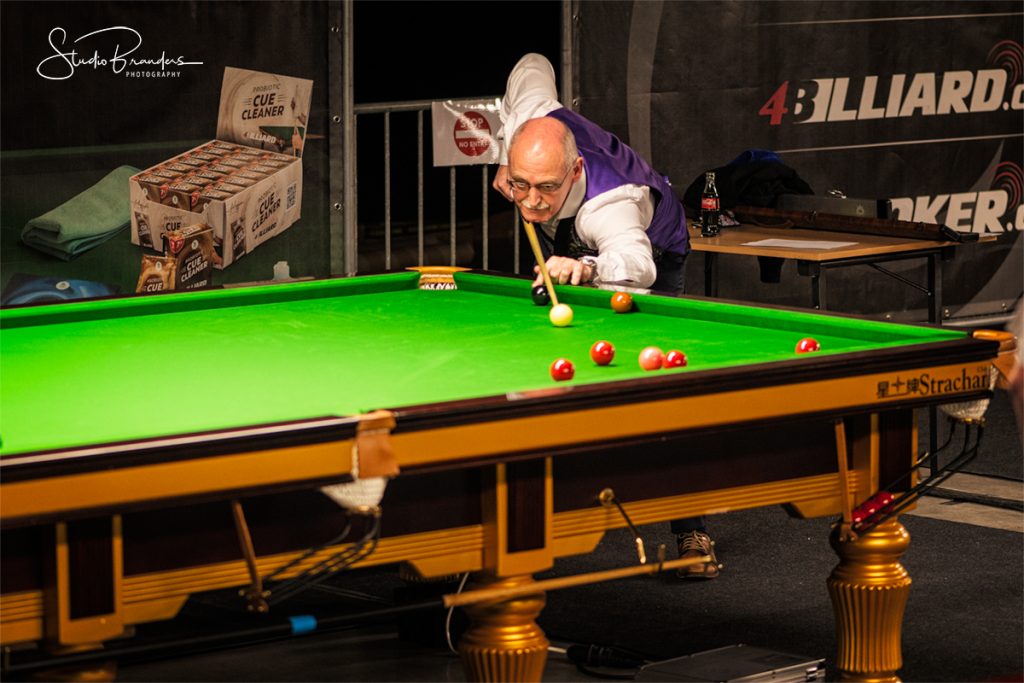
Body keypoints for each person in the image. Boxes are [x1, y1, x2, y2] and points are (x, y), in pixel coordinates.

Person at [493, 53, 720, 579]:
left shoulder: (611, 204)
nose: (531, 202)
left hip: (652, 249)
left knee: (661, 388)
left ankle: (690, 530)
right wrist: (507, 159)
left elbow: (637, 267)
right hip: (573, 241)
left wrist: (589, 268)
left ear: (574, 171)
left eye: (546, 188)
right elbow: (531, 63)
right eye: (522, 185)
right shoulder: (530, 117)